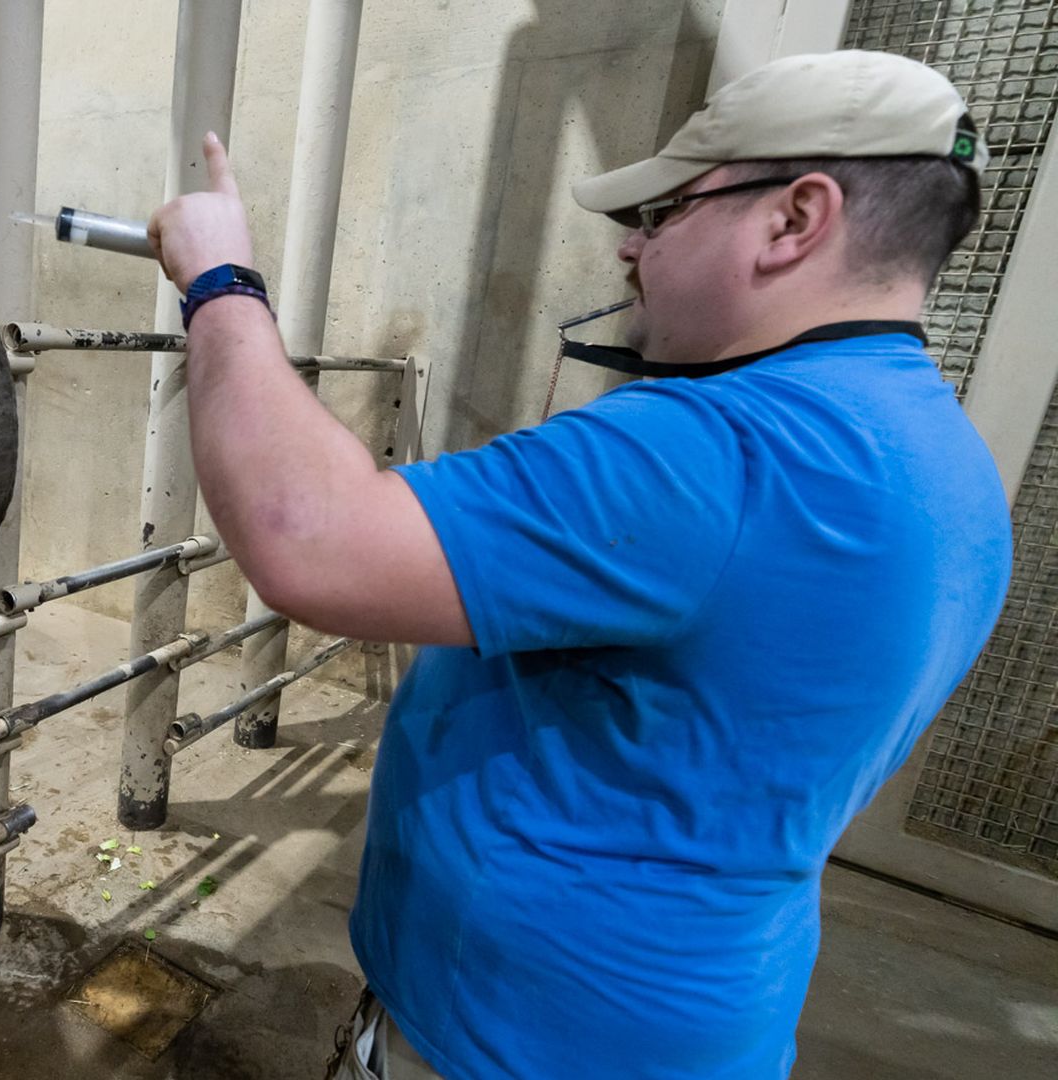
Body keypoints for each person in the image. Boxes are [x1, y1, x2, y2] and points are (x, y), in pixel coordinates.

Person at [146, 49, 1012, 1079]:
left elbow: (306, 535)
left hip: (519, 1043)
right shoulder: (947, 462)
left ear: (795, 219)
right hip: (688, 1017)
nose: (630, 253)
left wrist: (221, 280)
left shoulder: (718, 450)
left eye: (669, 213)